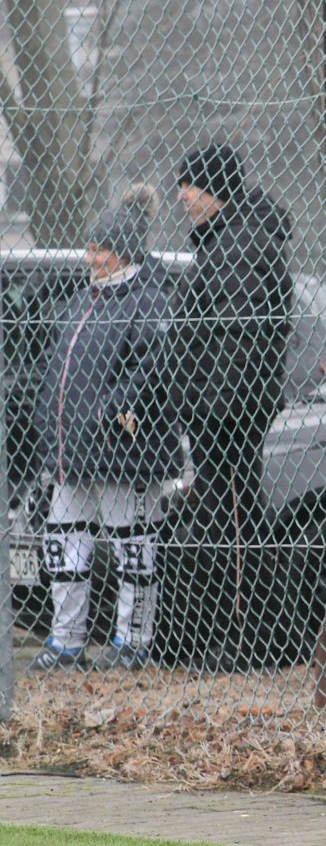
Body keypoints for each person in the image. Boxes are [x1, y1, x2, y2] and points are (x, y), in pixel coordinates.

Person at [28, 185, 179, 672]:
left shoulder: (149, 302)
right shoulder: (81, 302)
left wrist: (108, 413)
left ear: (124, 251)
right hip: (71, 453)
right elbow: (60, 372)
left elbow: (151, 374)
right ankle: (67, 641)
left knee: (130, 546)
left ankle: (133, 641)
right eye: (90, 248)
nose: (90, 257)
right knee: (64, 543)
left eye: (100, 249)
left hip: (122, 452)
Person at [163, 144, 294, 670]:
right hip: (218, 411)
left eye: (191, 185)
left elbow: (240, 343)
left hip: (228, 416)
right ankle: (255, 639)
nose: (182, 196)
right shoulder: (226, 241)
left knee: (233, 525)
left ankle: (249, 644)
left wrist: (210, 408)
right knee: (232, 519)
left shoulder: (241, 246)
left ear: (216, 187)